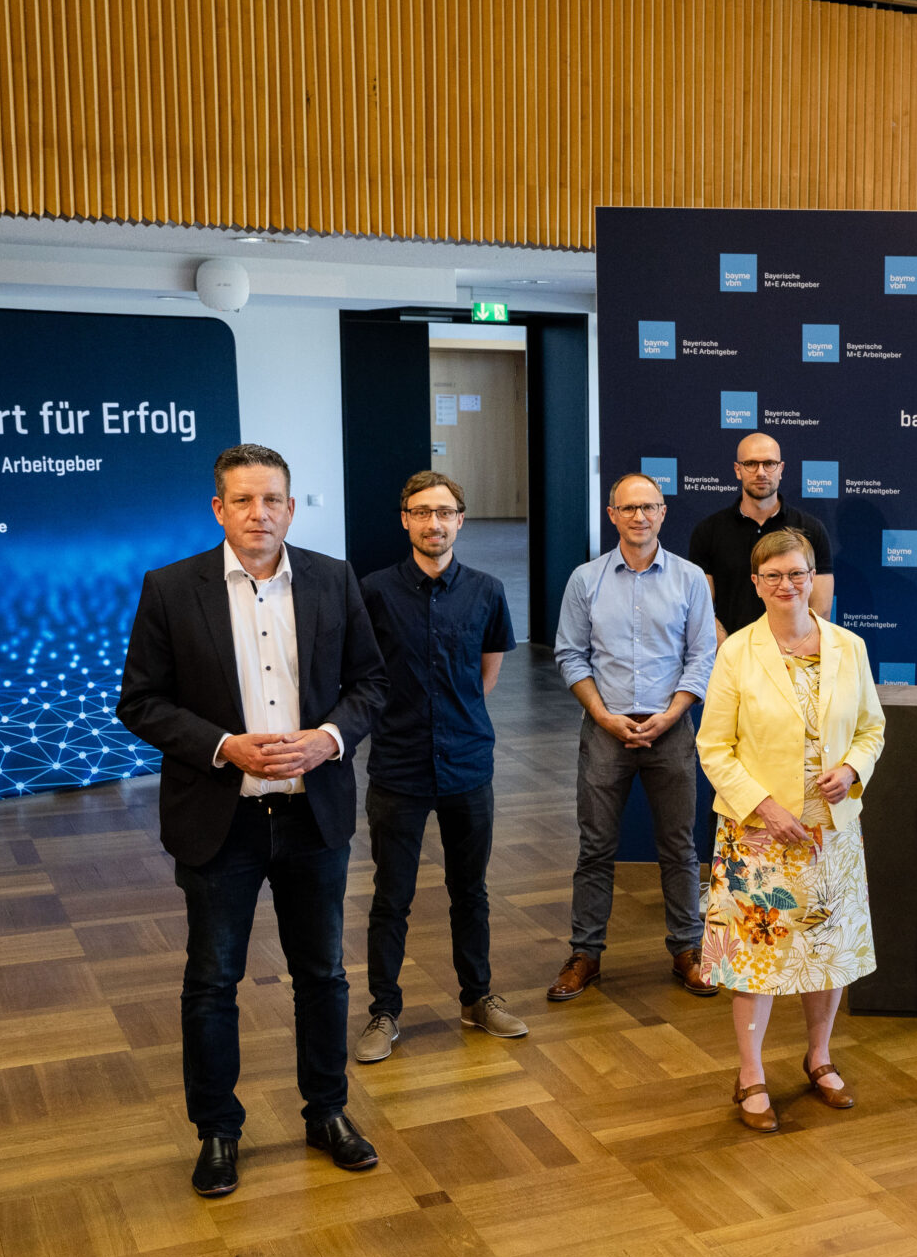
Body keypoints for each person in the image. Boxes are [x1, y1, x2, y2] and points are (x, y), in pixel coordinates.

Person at [117, 444, 387, 1197]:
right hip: (219, 822)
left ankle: (326, 1112)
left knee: (323, 976)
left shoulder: (334, 581)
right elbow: (140, 701)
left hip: (314, 817)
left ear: (291, 508)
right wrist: (223, 746)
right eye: (243, 500)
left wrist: (327, 738)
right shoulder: (171, 589)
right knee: (212, 981)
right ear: (218, 510)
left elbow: (371, 684)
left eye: (272, 499)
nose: (258, 513)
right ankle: (218, 1131)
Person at [696, 530, 886, 1132]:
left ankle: (819, 1057)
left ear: (813, 577)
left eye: (797, 574)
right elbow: (713, 748)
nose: (787, 585)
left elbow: (871, 729)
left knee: (825, 953)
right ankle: (750, 1073)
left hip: (830, 831)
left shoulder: (848, 646)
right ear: (755, 583)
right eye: (773, 576)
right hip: (759, 838)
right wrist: (764, 807)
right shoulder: (736, 652)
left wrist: (853, 769)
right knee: (756, 960)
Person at [354, 471, 524, 1064]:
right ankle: (384, 1010)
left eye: (445, 512)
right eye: (422, 512)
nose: (434, 523)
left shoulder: (486, 590)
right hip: (397, 765)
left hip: (467, 761)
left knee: (469, 890)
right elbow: (361, 677)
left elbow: (488, 671)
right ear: (405, 519)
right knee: (390, 896)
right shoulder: (373, 591)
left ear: (460, 519)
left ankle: (477, 998)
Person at [550, 473, 720, 1001]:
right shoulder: (585, 580)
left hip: (672, 730)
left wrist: (671, 716)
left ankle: (687, 951)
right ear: (612, 515)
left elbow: (702, 656)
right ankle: (586, 953)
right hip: (606, 729)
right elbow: (569, 654)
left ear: (663, 513)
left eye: (649, 507)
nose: (639, 516)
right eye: (628, 508)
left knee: (679, 846)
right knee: (596, 847)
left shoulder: (692, 579)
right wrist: (603, 715)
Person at [688, 431, 834, 642]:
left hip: (793, 661)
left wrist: (792, 654)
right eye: (751, 464)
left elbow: (821, 610)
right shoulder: (709, 531)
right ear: (738, 470)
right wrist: (732, 652)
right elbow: (701, 608)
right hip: (731, 660)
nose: (761, 472)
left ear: (781, 469)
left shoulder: (811, 530)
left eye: (769, 463)